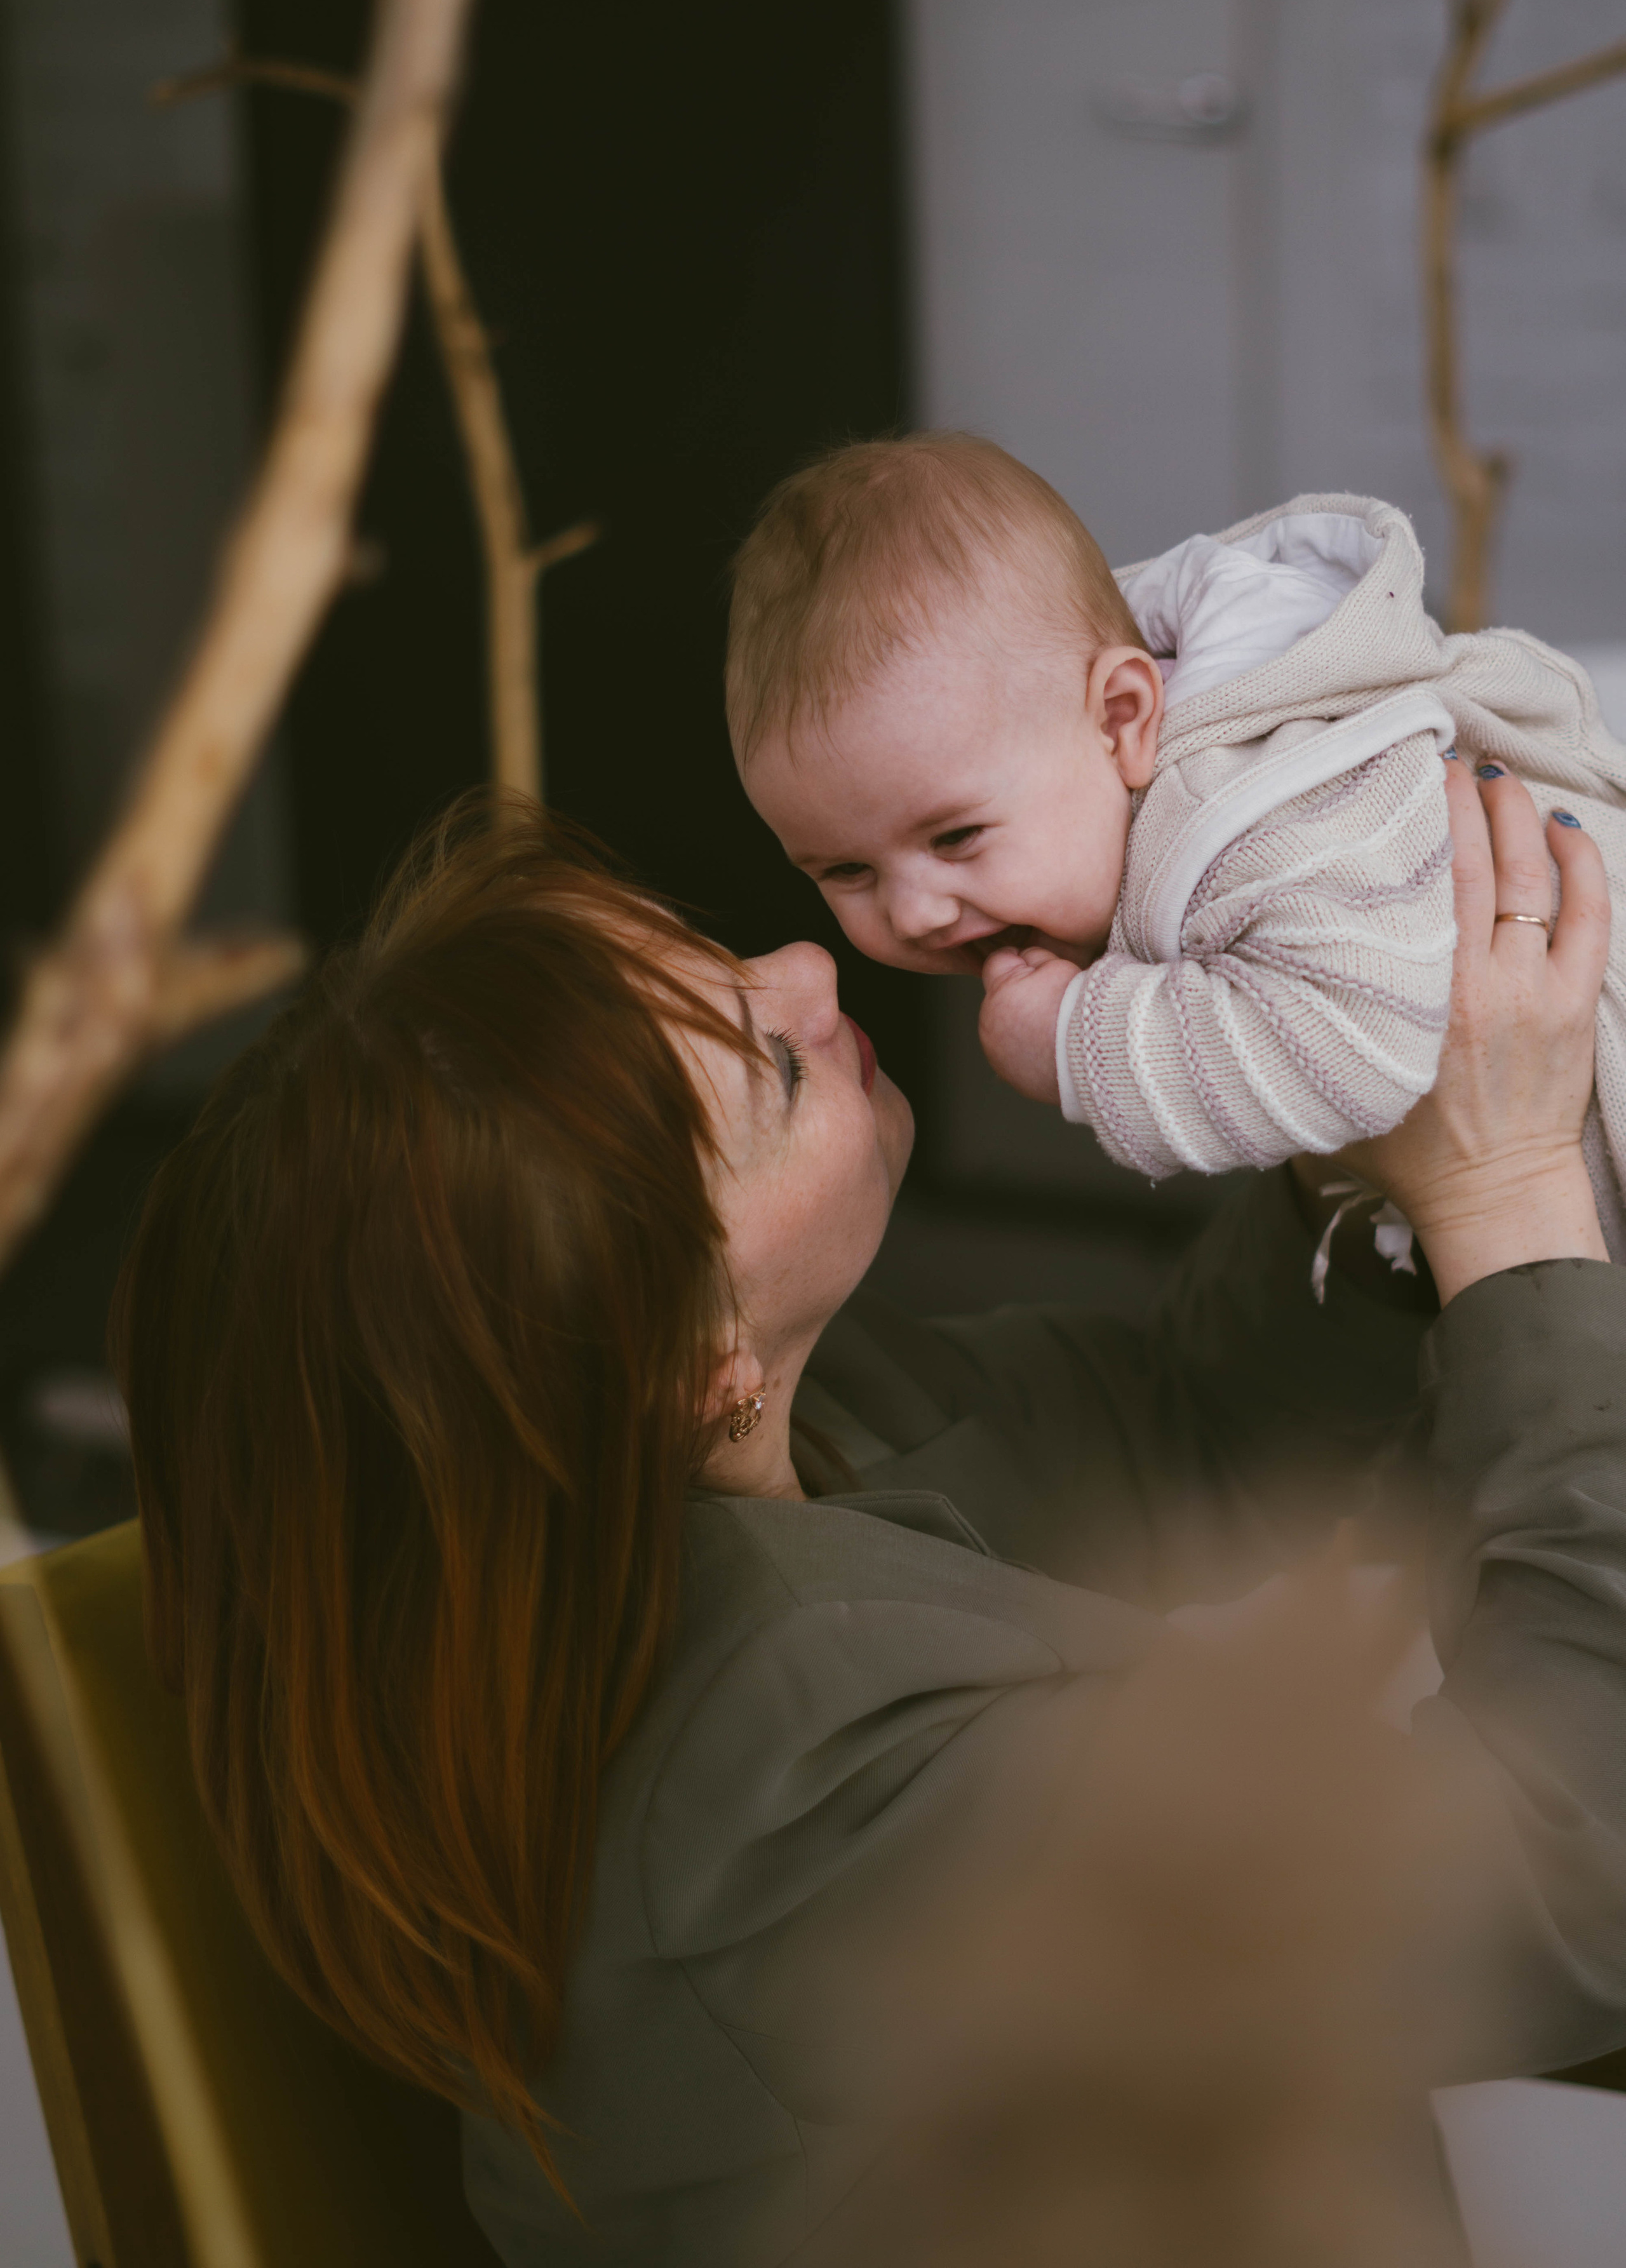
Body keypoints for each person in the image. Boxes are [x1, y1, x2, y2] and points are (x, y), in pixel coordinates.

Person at [112, 765, 1626, 2266]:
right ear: (688, 1358)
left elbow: (1180, 1424)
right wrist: (1500, 1186)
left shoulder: (747, 1446)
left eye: (723, 959)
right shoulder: (795, 1784)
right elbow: (1578, 1869)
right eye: (767, 1067)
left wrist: (1359, 1132)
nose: (809, 971)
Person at [729, 431, 1626, 1263]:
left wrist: (1080, 1045)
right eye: (846, 871)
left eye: (956, 836)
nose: (915, 911)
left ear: (1122, 717)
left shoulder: (1254, 803)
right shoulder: (1133, 770)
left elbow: (1352, 1047)